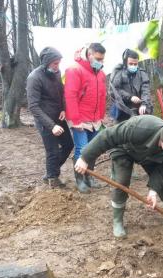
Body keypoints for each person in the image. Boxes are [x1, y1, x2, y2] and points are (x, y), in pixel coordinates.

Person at [74, 115, 163, 238]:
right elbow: (107, 135)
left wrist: (153, 191)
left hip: (150, 156)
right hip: (124, 149)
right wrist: (85, 158)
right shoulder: (140, 127)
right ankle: (117, 221)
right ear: (161, 139)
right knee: (121, 182)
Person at [27, 47, 74, 188]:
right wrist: (51, 126)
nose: (57, 66)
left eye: (59, 63)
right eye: (55, 63)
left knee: (68, 145)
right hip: (45, 121)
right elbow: (33, 106)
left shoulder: (56, 73)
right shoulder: (34, 78)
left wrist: (63, 109)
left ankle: (50, 172)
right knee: (52, 150)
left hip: (58, 117)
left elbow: (61, 93)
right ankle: (53, 179)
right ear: (47, 62)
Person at [65, 43, 107, 193]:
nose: (100, 62)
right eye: (97, 58)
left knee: (93, 149)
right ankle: (80, 179)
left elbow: (102, 97)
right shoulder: (74, 70)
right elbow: (70, 96)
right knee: (82, 149)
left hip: (95, 119)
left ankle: (89, 176)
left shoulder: (100, 74)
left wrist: (101, 117)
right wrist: (75, 121)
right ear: (89, 55)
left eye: (102, 59)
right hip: (80, 119)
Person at [109, 49, 153, 123]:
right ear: (126, 62)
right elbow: (115, 91)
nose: (133, 66)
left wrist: (144, 104)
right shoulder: (118, 73)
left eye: (135, 64)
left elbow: (145, 90)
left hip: (138, 110)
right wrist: (130, 97)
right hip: (122, 111)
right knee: (121, 132)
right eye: (131, 63)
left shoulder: (142, 74)